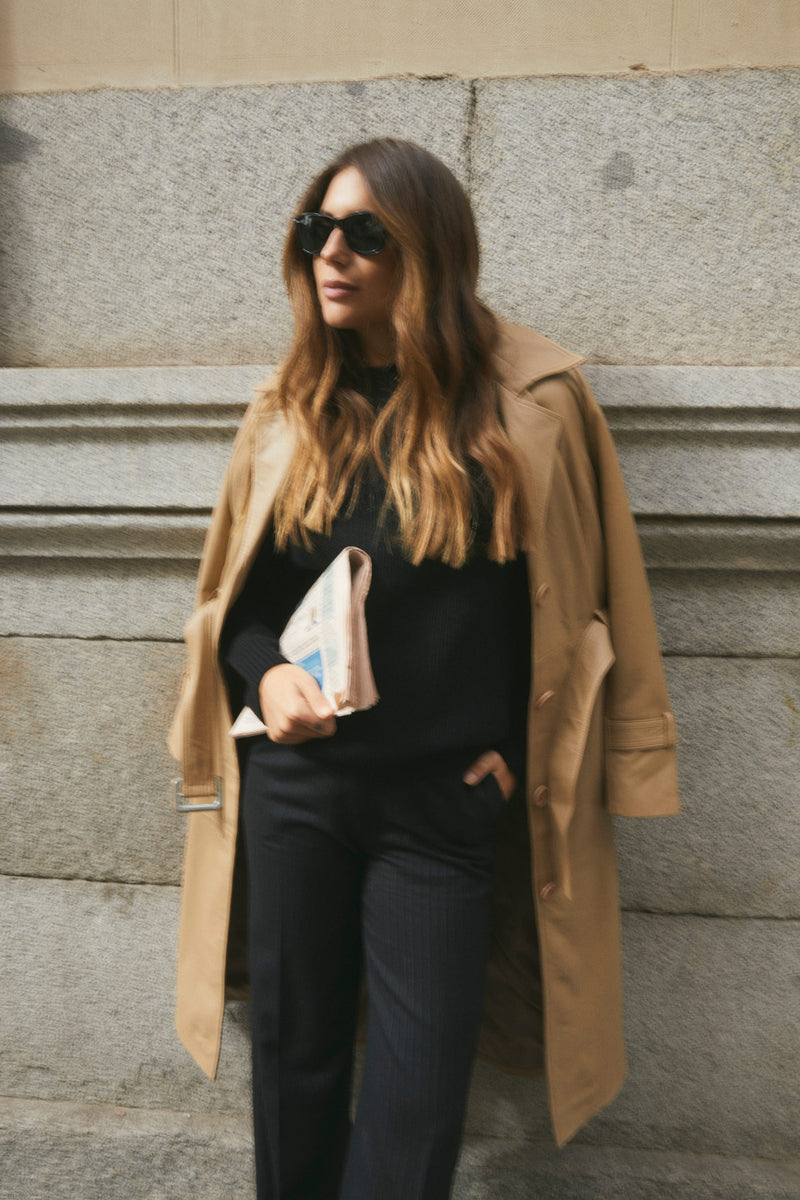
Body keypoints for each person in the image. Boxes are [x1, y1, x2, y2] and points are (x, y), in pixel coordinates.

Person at [168, 137, 680, 1200]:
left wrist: (511, 761)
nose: (331, 253)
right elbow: (239, 600)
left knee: (418, 1096)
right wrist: (264, 675)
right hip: (297, 790)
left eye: (364, 232)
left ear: (429, 249)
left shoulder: (532, 403)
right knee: (294, 1065)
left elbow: (586, 601)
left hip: (442, 807)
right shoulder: (289, 406)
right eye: (317, 229)